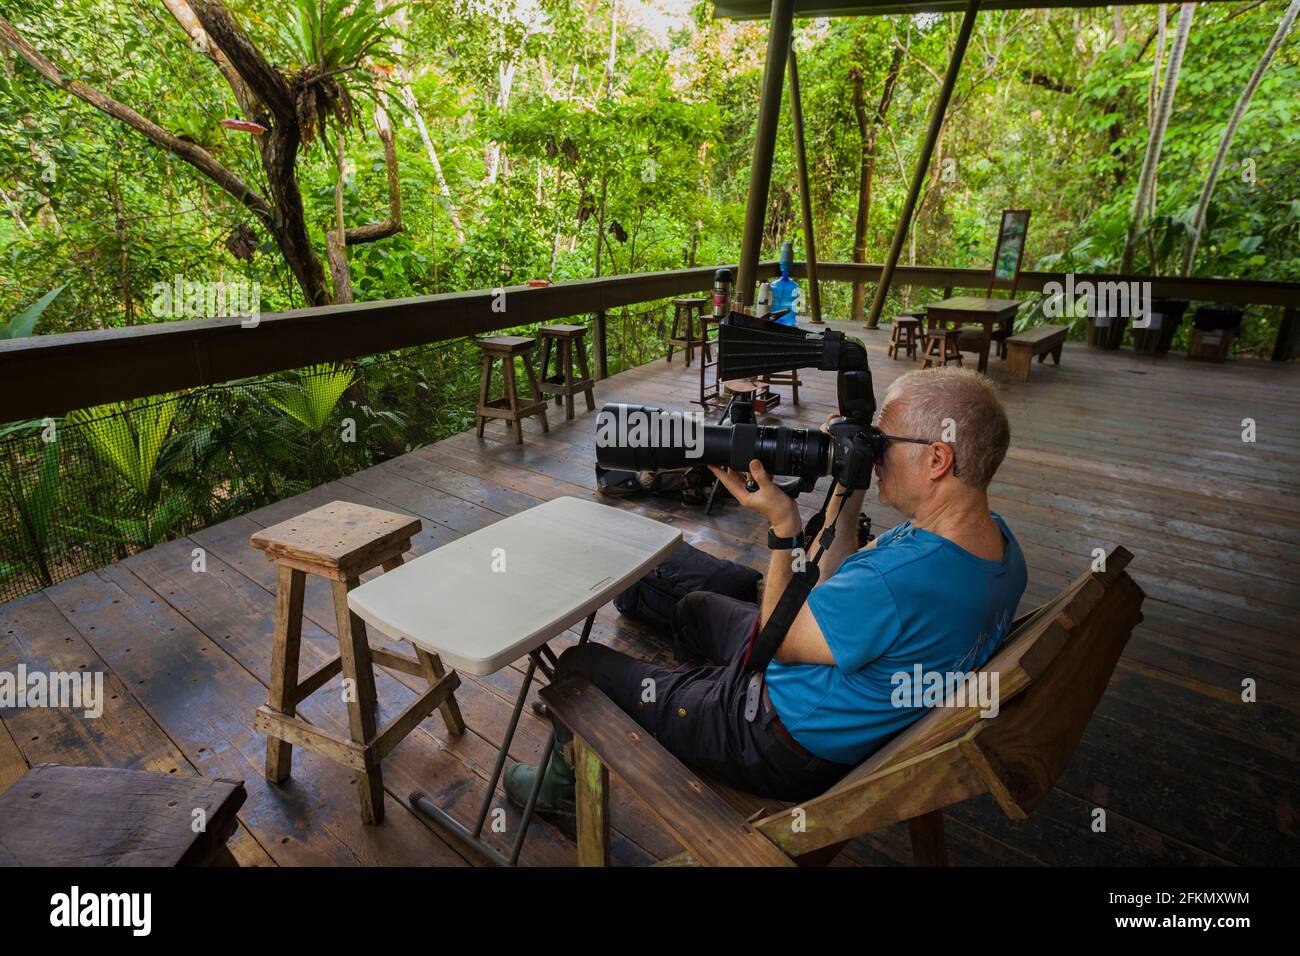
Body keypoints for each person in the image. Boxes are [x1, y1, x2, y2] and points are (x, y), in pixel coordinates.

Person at [505, 366, 1028, 810]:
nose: (873, 452)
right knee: (694, 608)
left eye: (883, 443)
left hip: (775, 738)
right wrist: (846, 486)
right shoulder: (995, 545)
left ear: (937, 460)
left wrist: (783, 524)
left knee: (578, 666)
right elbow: (837, 580)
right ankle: (682, 697)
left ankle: (559, 792)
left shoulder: (899, 583)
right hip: (821, 683)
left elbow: (781, 637)